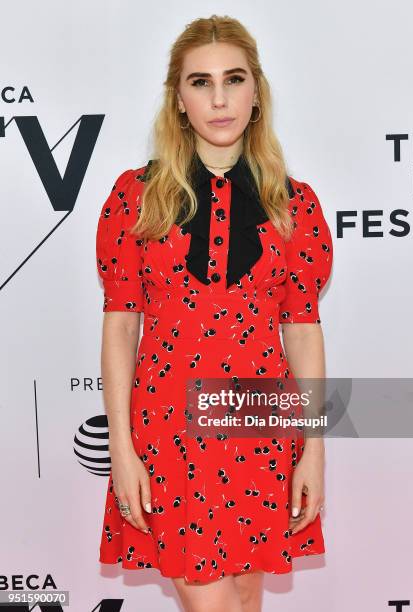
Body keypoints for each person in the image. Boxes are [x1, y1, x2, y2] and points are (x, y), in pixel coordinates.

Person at [95, 14, 333, 612]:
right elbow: (122, 326)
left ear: (257, 94)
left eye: (234, 79)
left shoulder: (294, 206)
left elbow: (302, 332)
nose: (219, 98)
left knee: (246, 598)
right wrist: (122, 450)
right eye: (200, 82)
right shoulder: (135, 197)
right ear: (178, 100)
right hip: (168, 429)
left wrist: (313, 446)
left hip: (263, 422)